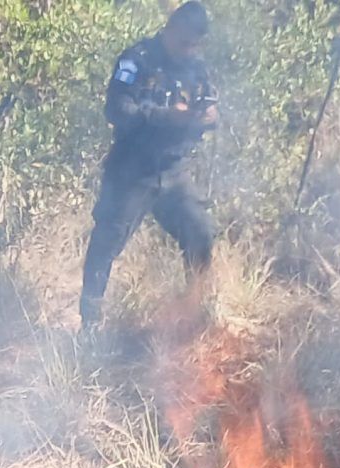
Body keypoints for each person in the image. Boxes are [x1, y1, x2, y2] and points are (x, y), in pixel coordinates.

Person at [80, 0, 219, 331]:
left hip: (173, 171)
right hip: (132, 170)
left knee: (200, 232)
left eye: (194, 45)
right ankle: (90, 325)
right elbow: (117, 110)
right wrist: (164, 116)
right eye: (184, 42)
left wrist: (205, 117)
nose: (188, 50)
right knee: (107, 242)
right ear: (171, 29)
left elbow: (212, 111)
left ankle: (194, 314)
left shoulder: (196, 69)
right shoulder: (137, 60)